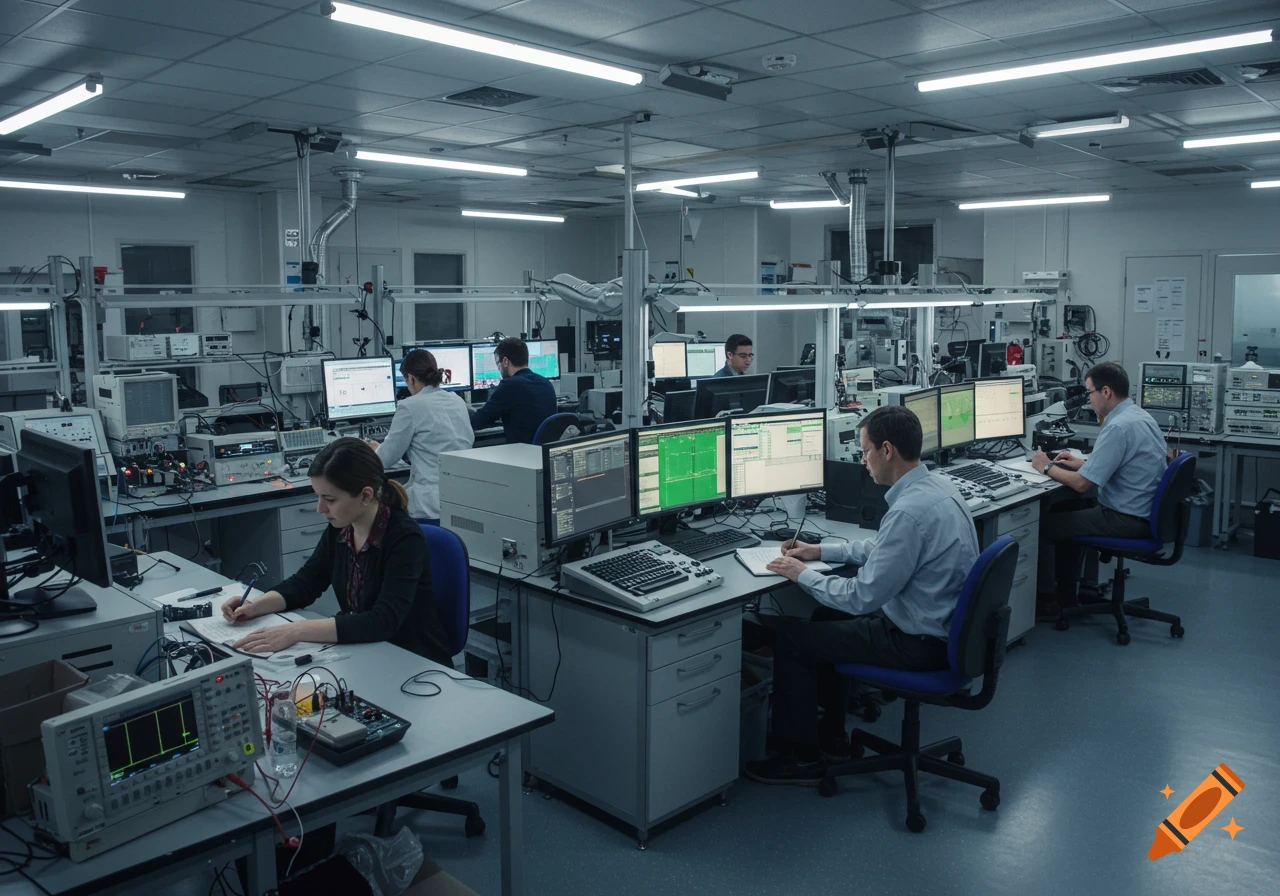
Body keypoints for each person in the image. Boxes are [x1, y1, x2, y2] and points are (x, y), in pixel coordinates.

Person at [746, 405, 979, 786]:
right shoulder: (935, 487)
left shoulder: (908, 511)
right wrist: (821, 552)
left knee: (792, 639)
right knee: (824, 621)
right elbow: (886, 551)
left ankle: (798, 757)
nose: (863, 461)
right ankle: (832, 739)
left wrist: (802, 574)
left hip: (918, 643)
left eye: (864, 451)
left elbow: (861, 597)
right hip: (943, 629)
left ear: (887, 450)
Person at [220, 438, 451, 665]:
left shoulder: (403, 537)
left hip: (414, 662)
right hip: (365, 653)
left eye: (329, 499)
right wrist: (255, 606)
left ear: (366, 495)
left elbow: (383, 621)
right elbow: (306, 582)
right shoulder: (340, 529)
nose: (320, 509)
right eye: (318, 497)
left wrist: (297, 631)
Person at [1031, 361, 1168, 621]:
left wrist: (1045, 466)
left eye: (1090, 393)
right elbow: (1123, 461)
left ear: (1106, 392)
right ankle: (1070, 593)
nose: (1088, 400)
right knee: (1074, 508)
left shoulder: (1117, 426)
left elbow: (1083, 485)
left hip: (1126, 518)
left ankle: (1047, 602)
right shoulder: (1138, 416)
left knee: (1046, 527)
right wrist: (1082, 463)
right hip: (1144, 511)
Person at [368, 349, 473, 525]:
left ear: (410, 378)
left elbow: (386, 459)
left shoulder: (410, 406)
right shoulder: (457, 400)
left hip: (429, 505)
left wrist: (374, 450)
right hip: (462, 499)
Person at [470, 336, 557, 444]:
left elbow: (479, 421)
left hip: (521, 454)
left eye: (498, 363)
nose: (498, 369)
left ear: (505, 361)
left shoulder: (510, 385)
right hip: (542, 453)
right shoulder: (545, 383)